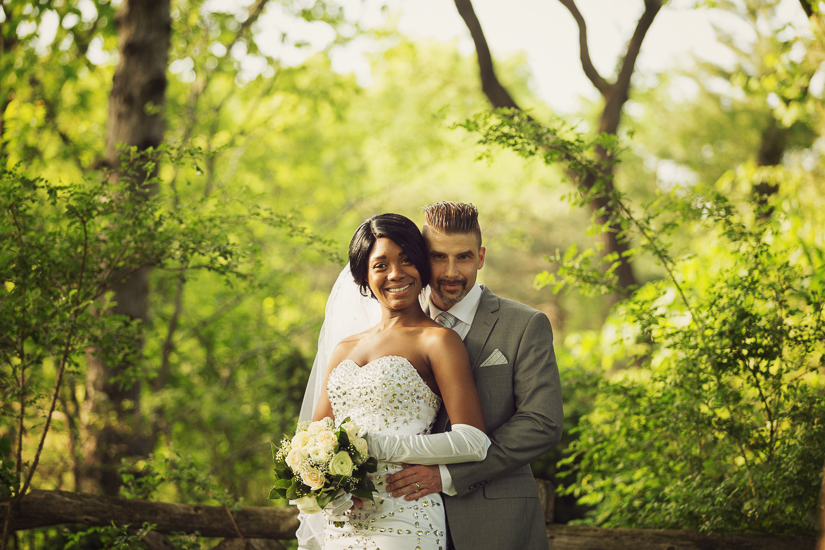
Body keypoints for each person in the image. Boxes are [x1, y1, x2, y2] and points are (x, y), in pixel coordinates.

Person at [306, 213, 493, 550]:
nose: (396, 273)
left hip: (405, 515)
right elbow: (313, 438)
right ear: (364, 275)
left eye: (407, 260)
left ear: (421, 267)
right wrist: (331, 493)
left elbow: (474, 442)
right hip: (342, 522)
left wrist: (379, 447)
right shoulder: (343, 348)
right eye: (381, 265)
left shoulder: (437, 341)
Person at [383, 201, 563, 550]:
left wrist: (449, 475)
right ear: (422, 258)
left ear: (480, 257)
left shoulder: (525, 325)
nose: (451, 271)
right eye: (438, 257)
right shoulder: (393, 327)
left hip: (496, 523)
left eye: (463, 257)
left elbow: (541, 423)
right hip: (402, 519)